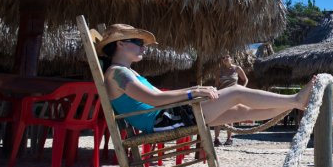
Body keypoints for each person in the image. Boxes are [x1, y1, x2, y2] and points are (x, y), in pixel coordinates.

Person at [97, 24, 313, 134]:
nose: (143, 46)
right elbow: (154, 99)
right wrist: (193, 92)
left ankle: (291, 105)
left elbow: (155, 98)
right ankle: (295, 101)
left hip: (166, 117)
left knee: (239, 111)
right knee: (236, 92)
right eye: (137, 41)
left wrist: (194, 88)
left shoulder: (124, 72)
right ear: (120, 44)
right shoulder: (118, 73)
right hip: (163, 121)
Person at [212, 55, 249, 146]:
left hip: (233, 95)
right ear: (222, 60)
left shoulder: (237, 69)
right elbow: (216, 84)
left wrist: (241, 89)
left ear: (231, 58)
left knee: (230, 116)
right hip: (221, 95)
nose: (225, 58)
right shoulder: (219, 71)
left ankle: (229, 138)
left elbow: (245, 80)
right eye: (223, 57)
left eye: (227, 56)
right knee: (218, 116)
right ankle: (216, 139)